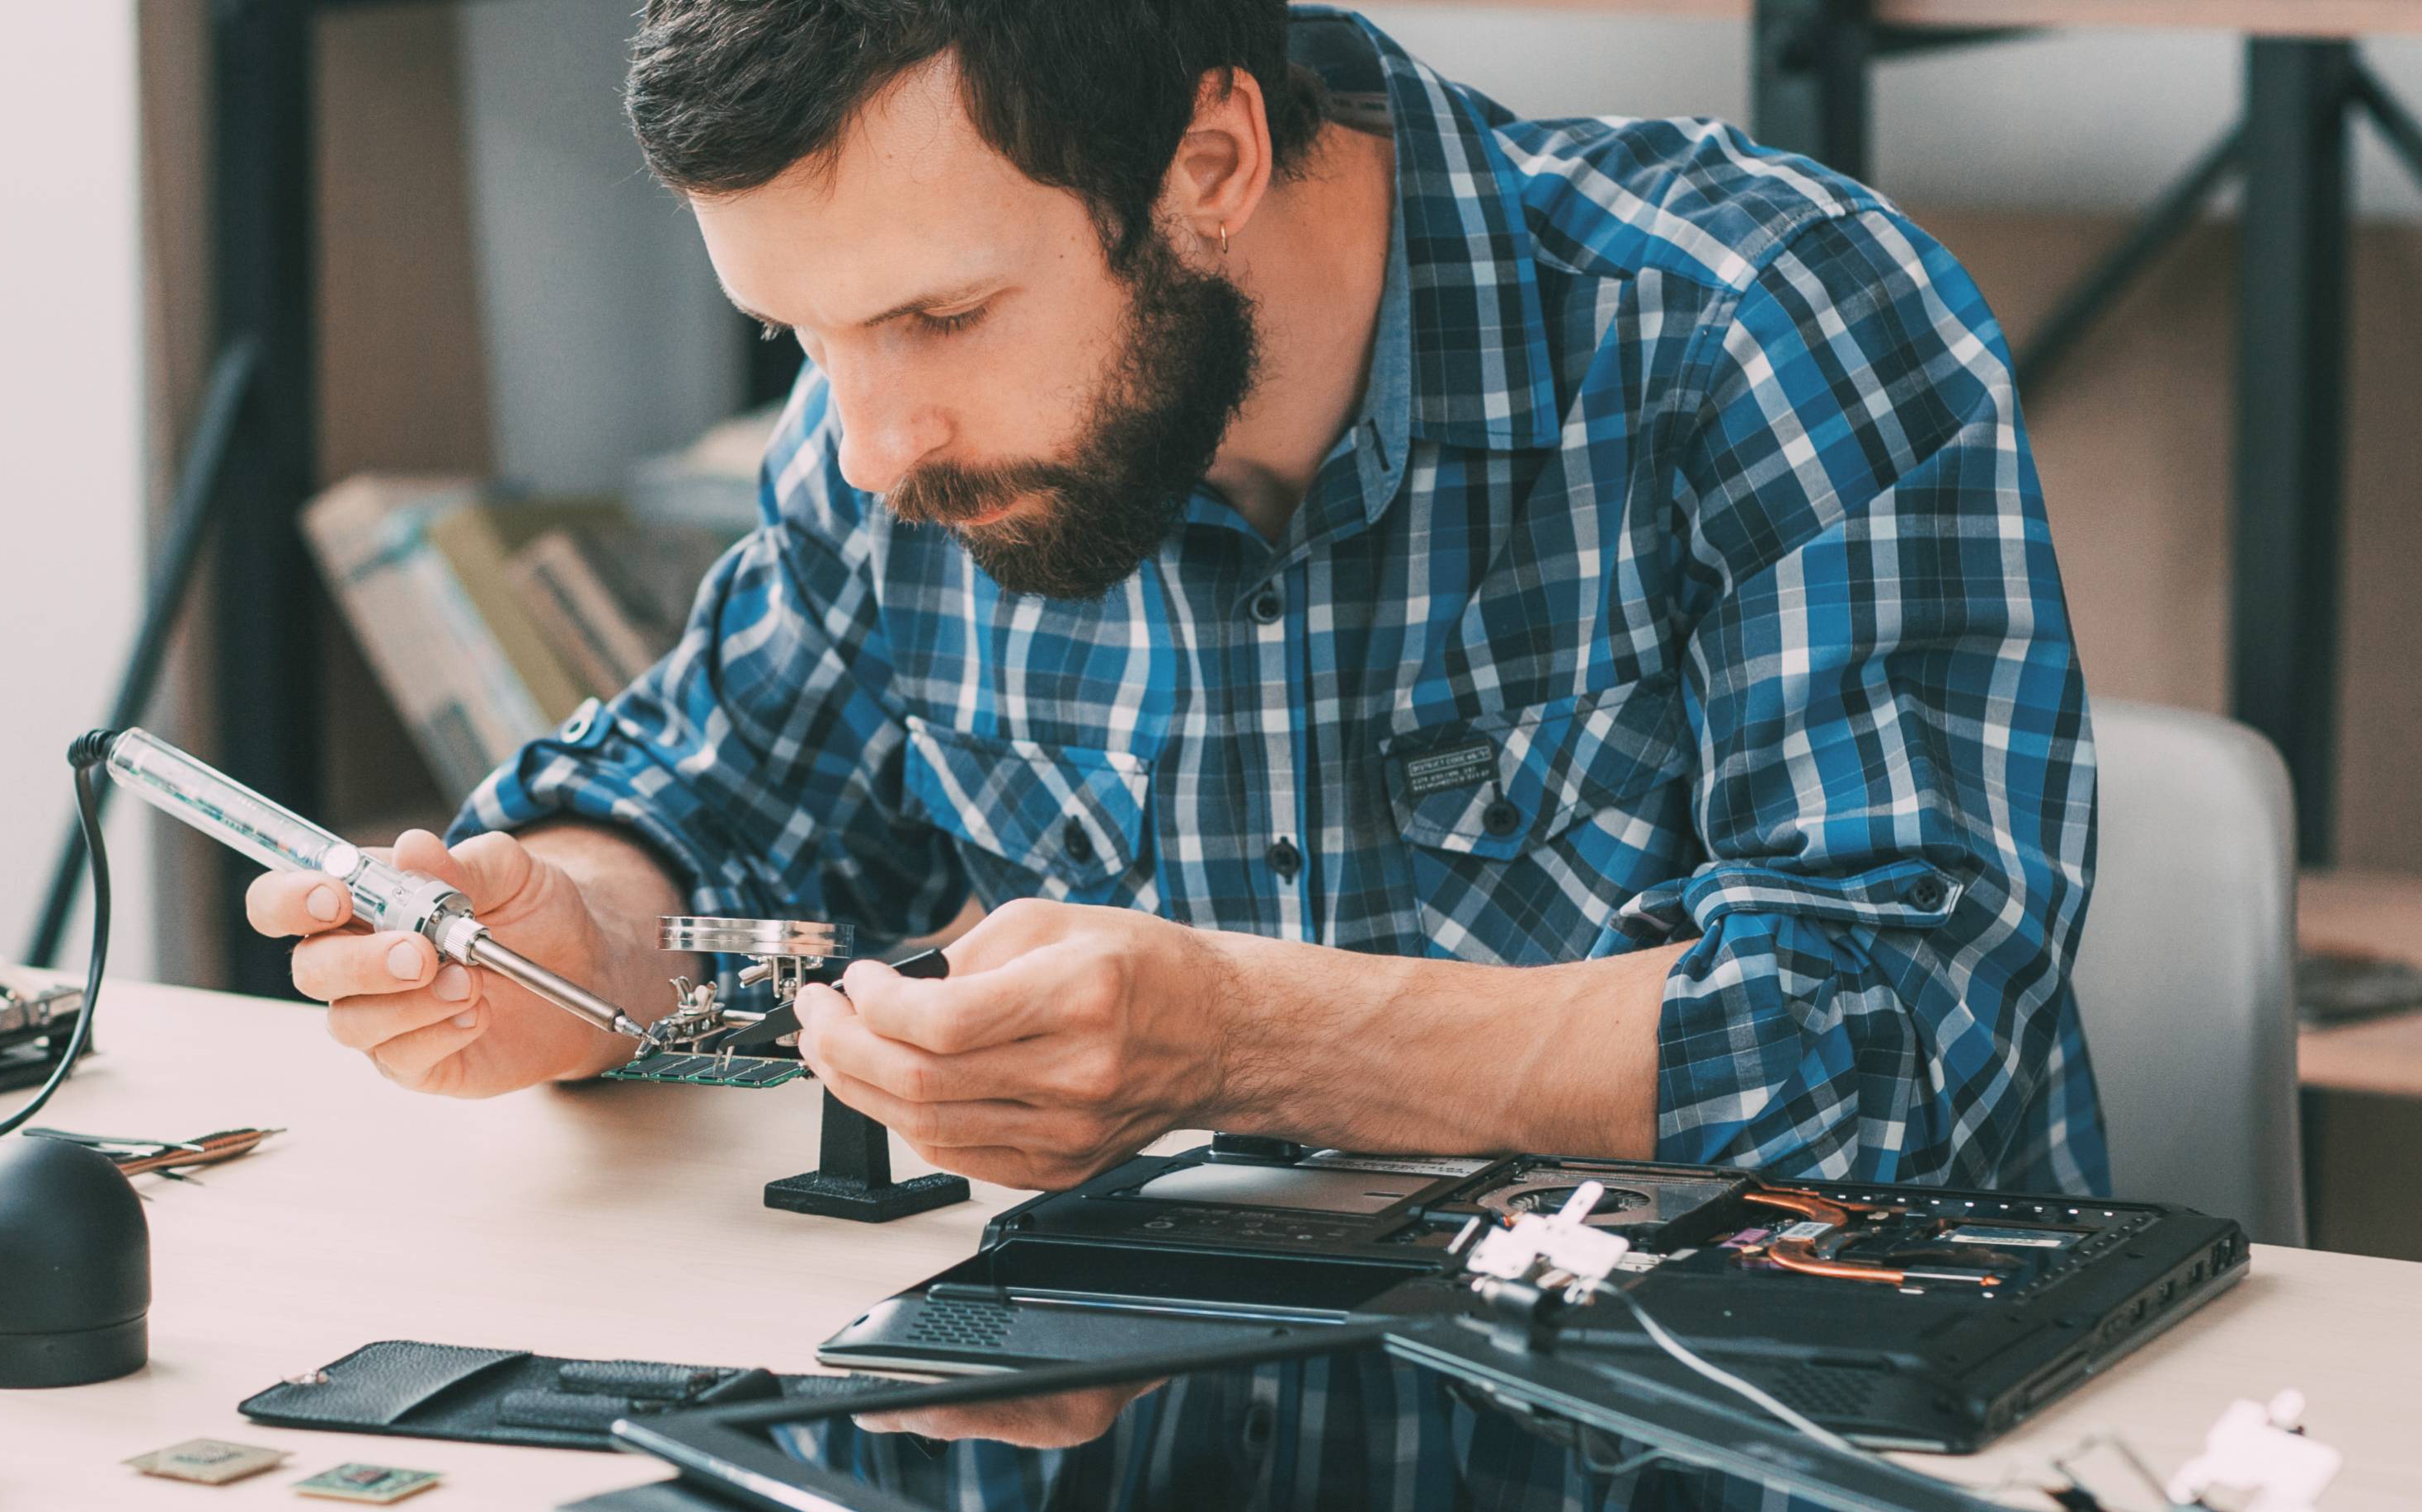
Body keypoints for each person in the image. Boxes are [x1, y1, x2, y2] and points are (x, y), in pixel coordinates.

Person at [248, 1, 2106, 1199]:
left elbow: (1893, 1039)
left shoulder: (1759, 325)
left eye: (934, 316)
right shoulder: (888, 440)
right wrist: (572, 946)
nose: (873, 441)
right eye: (798, 332)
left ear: (1208, 162)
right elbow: (707, 799)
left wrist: (1242, 1034)